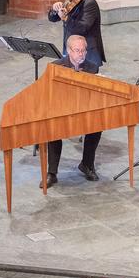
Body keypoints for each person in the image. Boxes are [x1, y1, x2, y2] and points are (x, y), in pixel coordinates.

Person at [41, 35, 103, 188]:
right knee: (53, 129)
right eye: (77, 50)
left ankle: (87, 164)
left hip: (83, 109)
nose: (81, 54)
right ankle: (52, 173)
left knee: (97, 125)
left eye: (83, 50)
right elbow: (48, 93)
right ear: (68, 51)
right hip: (62, 110)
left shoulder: (92, 67)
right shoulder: (56, 66)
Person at [49, 0, 105, 68]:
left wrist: (66, 18)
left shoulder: (89, 3)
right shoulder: (70, 0)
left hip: (86, 53)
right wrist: (54, 9)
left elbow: (82, 29)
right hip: (71, 50)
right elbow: (52, 18)